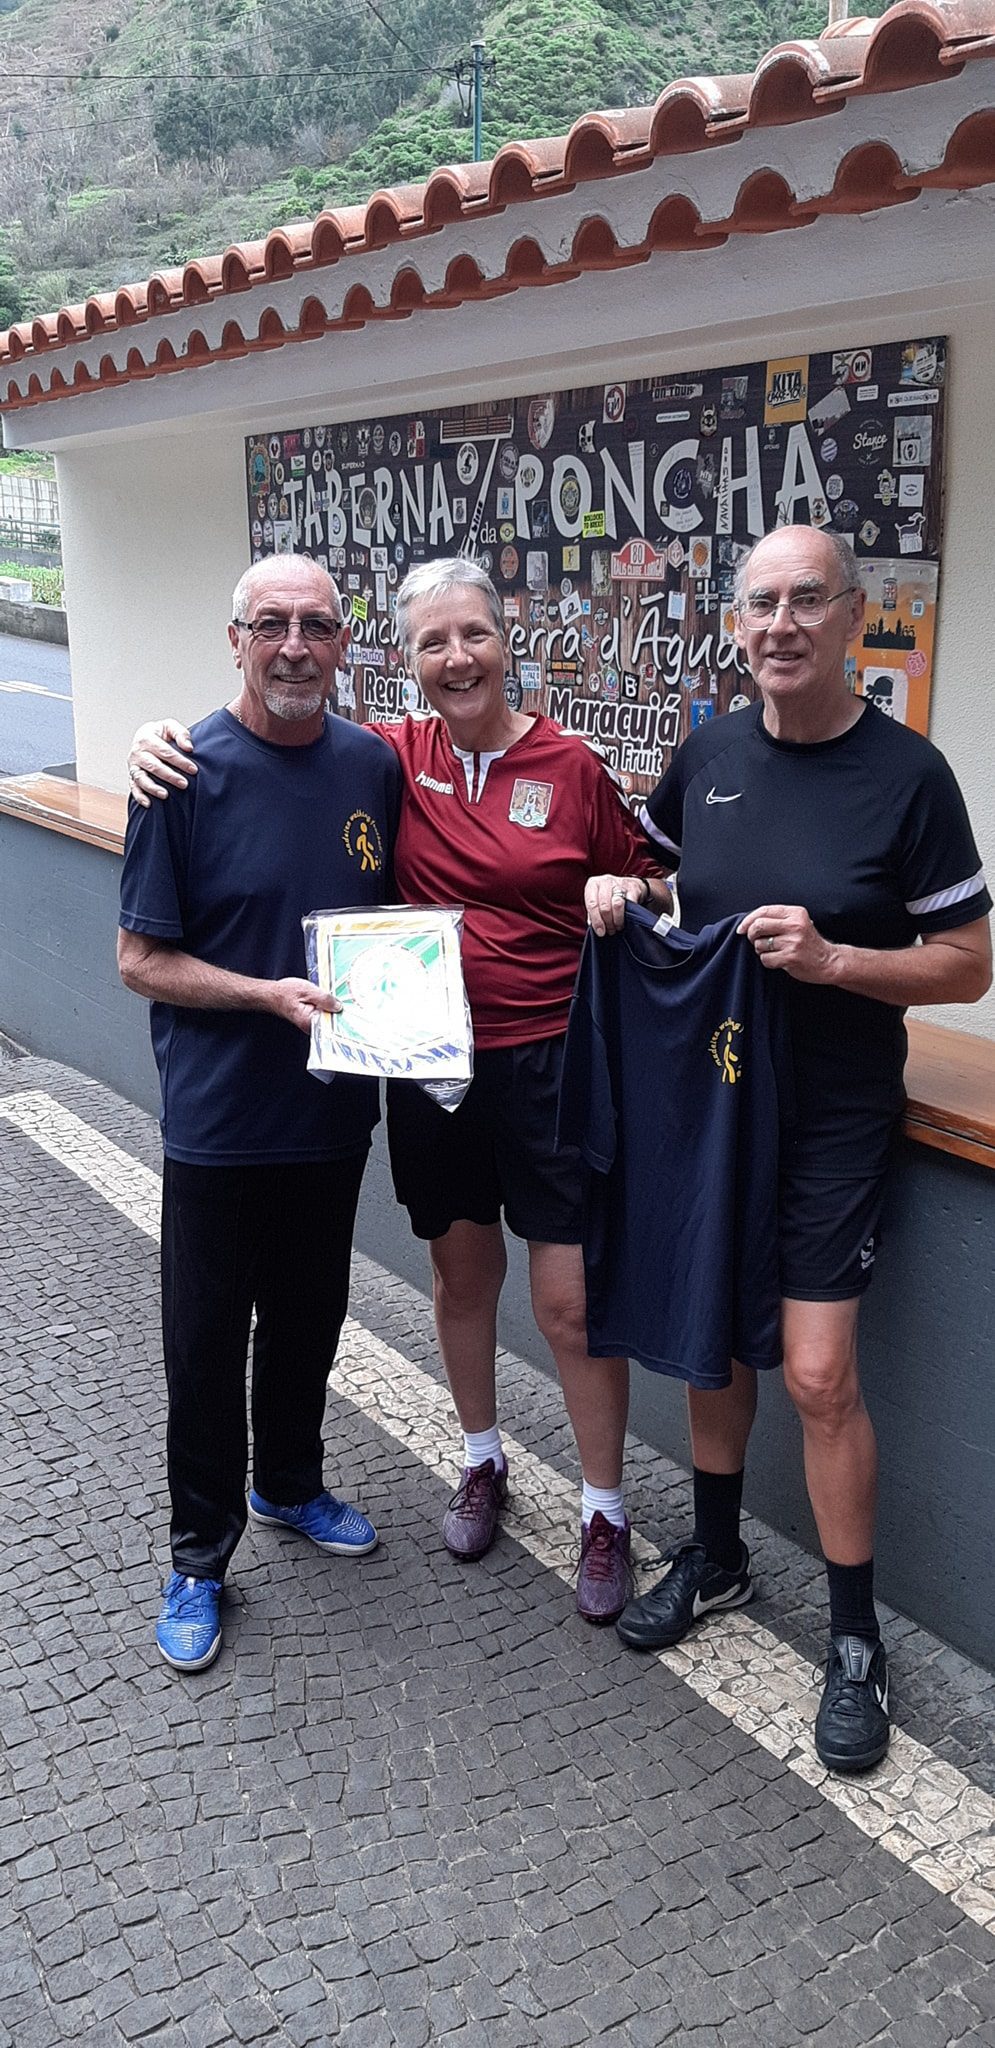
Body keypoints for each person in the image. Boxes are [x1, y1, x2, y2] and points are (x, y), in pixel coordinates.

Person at [127, 557, 658, 1625]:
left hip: (478, 1081)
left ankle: (588, 1510)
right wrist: (151, 739)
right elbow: (142, 950)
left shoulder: (478, 761)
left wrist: (629, 886)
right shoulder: (293, 764)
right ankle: (238, 1543)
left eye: (472, 634)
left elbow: (652, 872)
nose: (455, 657)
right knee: (292, 1315)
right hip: (342, 1090)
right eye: (432, 641)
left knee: (519, 1304)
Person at [585, 524, 991, 1772]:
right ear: (734, 624)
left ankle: (853, 1639)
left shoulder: (907, 775)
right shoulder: (705, 752)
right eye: (757, 603)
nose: (778, 625)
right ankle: (714, 1560)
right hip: (708, 1106)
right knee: (709, 1336)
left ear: (853, 614)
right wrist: (618, 893)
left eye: (804, 600)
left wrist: (831, 960)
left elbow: (967, 961)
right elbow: (653, 872)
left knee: (817, 1374)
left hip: (829, 1116)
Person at [118, 555, 401, 1673]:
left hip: (331, 1114)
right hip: (220, 1120)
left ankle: (287, 1481)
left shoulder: (371, 763)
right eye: (270, 623)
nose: (294, 643)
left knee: (309, 1317)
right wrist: (260, 996)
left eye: (316, 624)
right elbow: (140, 959)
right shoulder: (178, 772)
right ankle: (198, 1554)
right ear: (234, 637)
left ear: (344, 642)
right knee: (201, 1341)